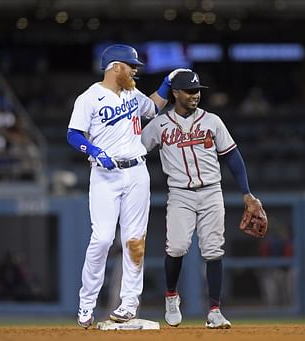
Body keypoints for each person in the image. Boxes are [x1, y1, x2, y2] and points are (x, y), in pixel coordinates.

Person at [66, 43, 187, 328]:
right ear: (115, 67)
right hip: (105, 175)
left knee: (135, 241)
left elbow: (153, 108)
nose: (135, 70)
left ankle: (129, 304)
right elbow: (73, 134)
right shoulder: (90, 97)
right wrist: (93, 151)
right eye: (131, 65)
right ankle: (86, 304)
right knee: (103, 239)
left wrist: (167, 83)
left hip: (136, 173)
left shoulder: (132, 93)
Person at [141, 71, 268, 329]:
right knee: (176, 248)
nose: (195, 94)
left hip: (211, 191)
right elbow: (136, 150)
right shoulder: (159, 125)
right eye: (189, 90)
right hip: (180, 192)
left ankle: (214, 311)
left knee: (213, 250)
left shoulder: (212, 121)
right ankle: (171, 297)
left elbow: (233, 156)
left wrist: (247, 192)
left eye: (197, 90)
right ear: (175, 93)